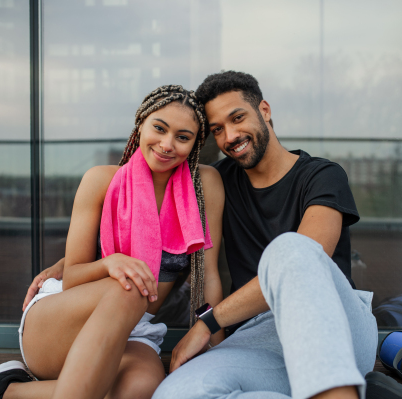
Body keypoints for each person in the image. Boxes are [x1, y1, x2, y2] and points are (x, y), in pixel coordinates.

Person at [0, 85, 225, 399]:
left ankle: (6, 391)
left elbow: (210, 276)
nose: (166, 144)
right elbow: (75, 276)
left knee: (140, 388)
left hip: (136, 331)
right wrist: (110, 263)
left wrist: (215, 346)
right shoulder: (100, 180)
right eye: (159, 129)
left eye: (182, 136)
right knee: (132, 285)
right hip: (60, 324)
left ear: (195, 143)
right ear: (141, 125)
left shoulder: (206, 186)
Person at [153, 71, 378, 399]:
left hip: (335, 327)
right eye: (217, 130)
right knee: (175, 395)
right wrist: (75, 259)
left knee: (290, 249)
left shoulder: (322, 176)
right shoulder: (217, 182)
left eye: (238, 118)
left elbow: (309, 256)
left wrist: (208, 321)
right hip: (259, 336)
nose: (230, 136)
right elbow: (148, 212)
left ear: (265, 110)